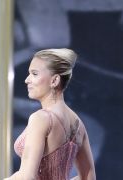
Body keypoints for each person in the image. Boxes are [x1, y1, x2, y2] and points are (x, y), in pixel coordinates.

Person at [5, 48, 96, 180]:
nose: (27, 80)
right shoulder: (78, 123)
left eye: (34, 74)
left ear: (54, 81)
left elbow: (26, 176)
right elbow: (89, 177)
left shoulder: (40, 118)